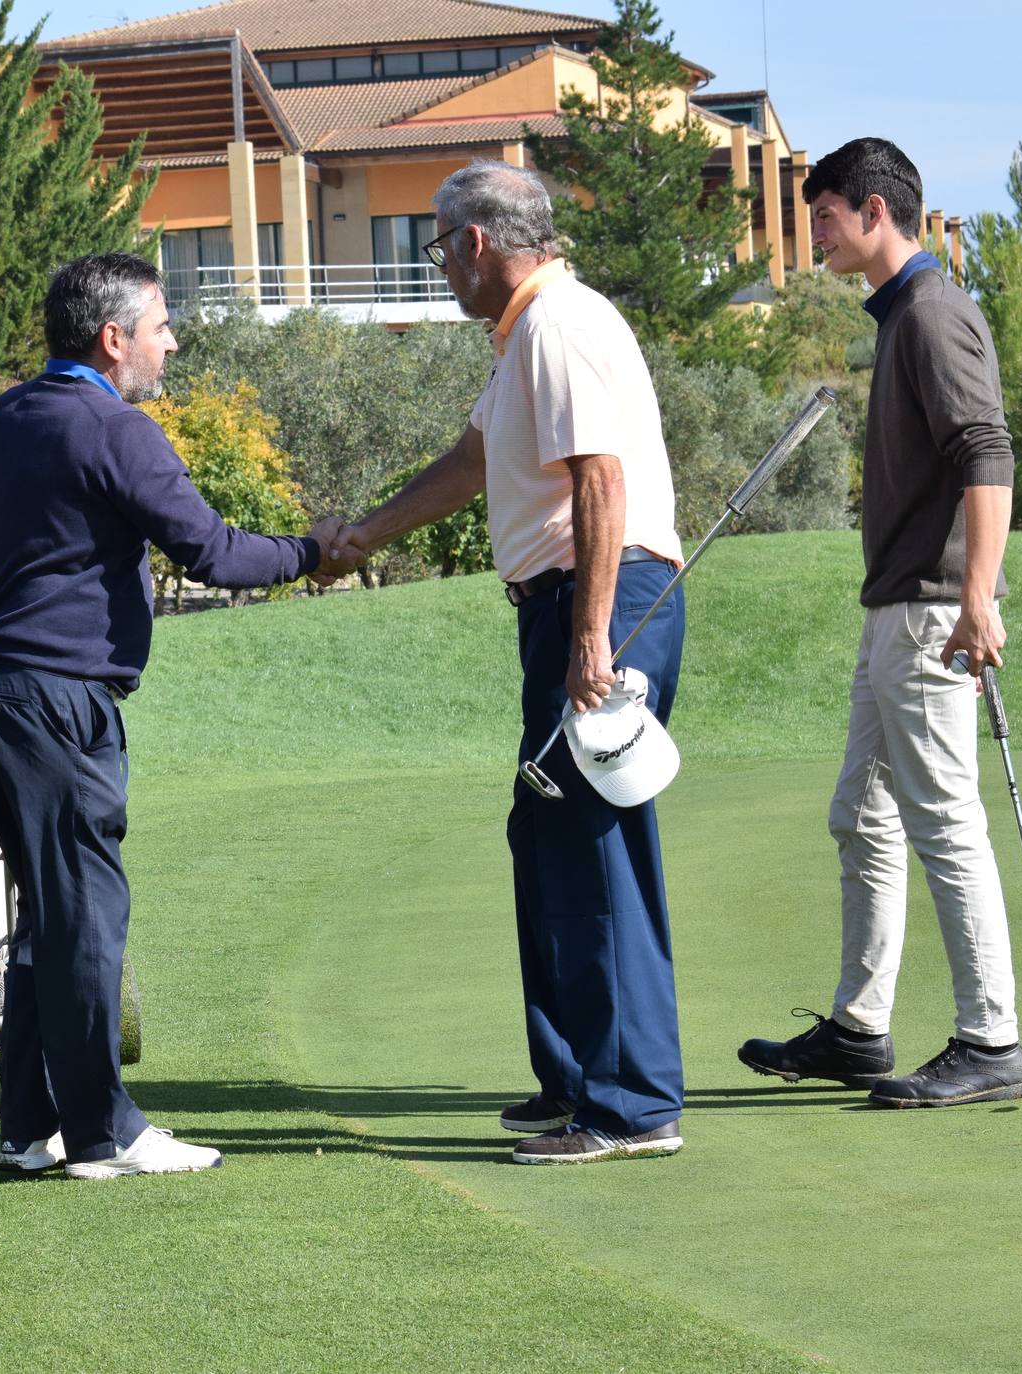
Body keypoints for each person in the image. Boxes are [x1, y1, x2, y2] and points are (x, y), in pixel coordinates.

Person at [0, 252, 347, 1179]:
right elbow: (215, 553)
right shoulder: (115, 429)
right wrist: (312, 552)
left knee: (48, 912)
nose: (171, 341)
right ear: (113, 339)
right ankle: (105, 1132)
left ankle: (33, 1129)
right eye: (159, 326)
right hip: (56, 697)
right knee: (87, 913)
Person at [327, 161, 689, 1165]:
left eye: (440, 247)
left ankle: (630, 1105)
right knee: (544, 834)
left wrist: (591, 639)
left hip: (600, 603)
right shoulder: (526, 332)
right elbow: (472, 462)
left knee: (593, 850)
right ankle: (574, 1075)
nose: (439, 266)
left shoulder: (558, 324)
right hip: (572, 604)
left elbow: (601, 478)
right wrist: (361, 535)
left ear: (477, 242)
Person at [737, 137, 1022, 1107]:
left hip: (932, 612)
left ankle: (992, 1042)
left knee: (944, 824)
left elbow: (987, 454)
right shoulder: (903, 314)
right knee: (861, 817)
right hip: (895, 613)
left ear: (872, 211)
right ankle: (860, 1030)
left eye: (822, 215)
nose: (812, 232)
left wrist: (978, 599)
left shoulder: (933, 314)